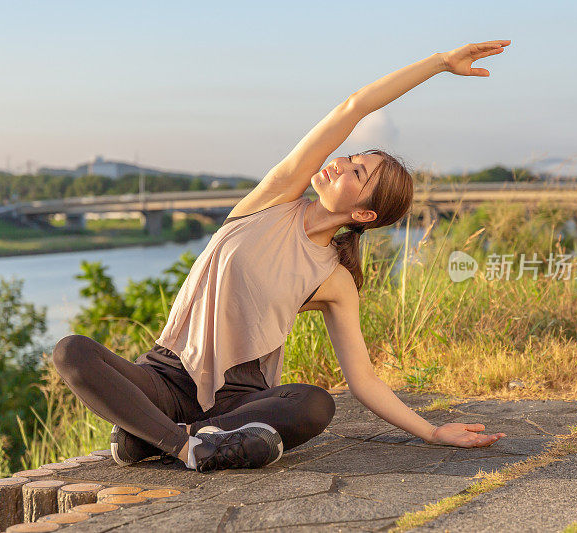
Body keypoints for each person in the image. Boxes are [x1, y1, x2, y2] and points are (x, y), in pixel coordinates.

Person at [52, 39, 511, 473]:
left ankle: (151, 437)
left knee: (315, 404)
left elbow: (363, 380)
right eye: (350, 157)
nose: (338, 163)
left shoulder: (334, 280)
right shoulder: (274, 197)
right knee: (72, 351)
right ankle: (183, 445)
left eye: (356, 172)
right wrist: (438, 63)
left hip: (238, 399)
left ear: (364, 212)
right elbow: (354, 107)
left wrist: (431, 432)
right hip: (167, 378)